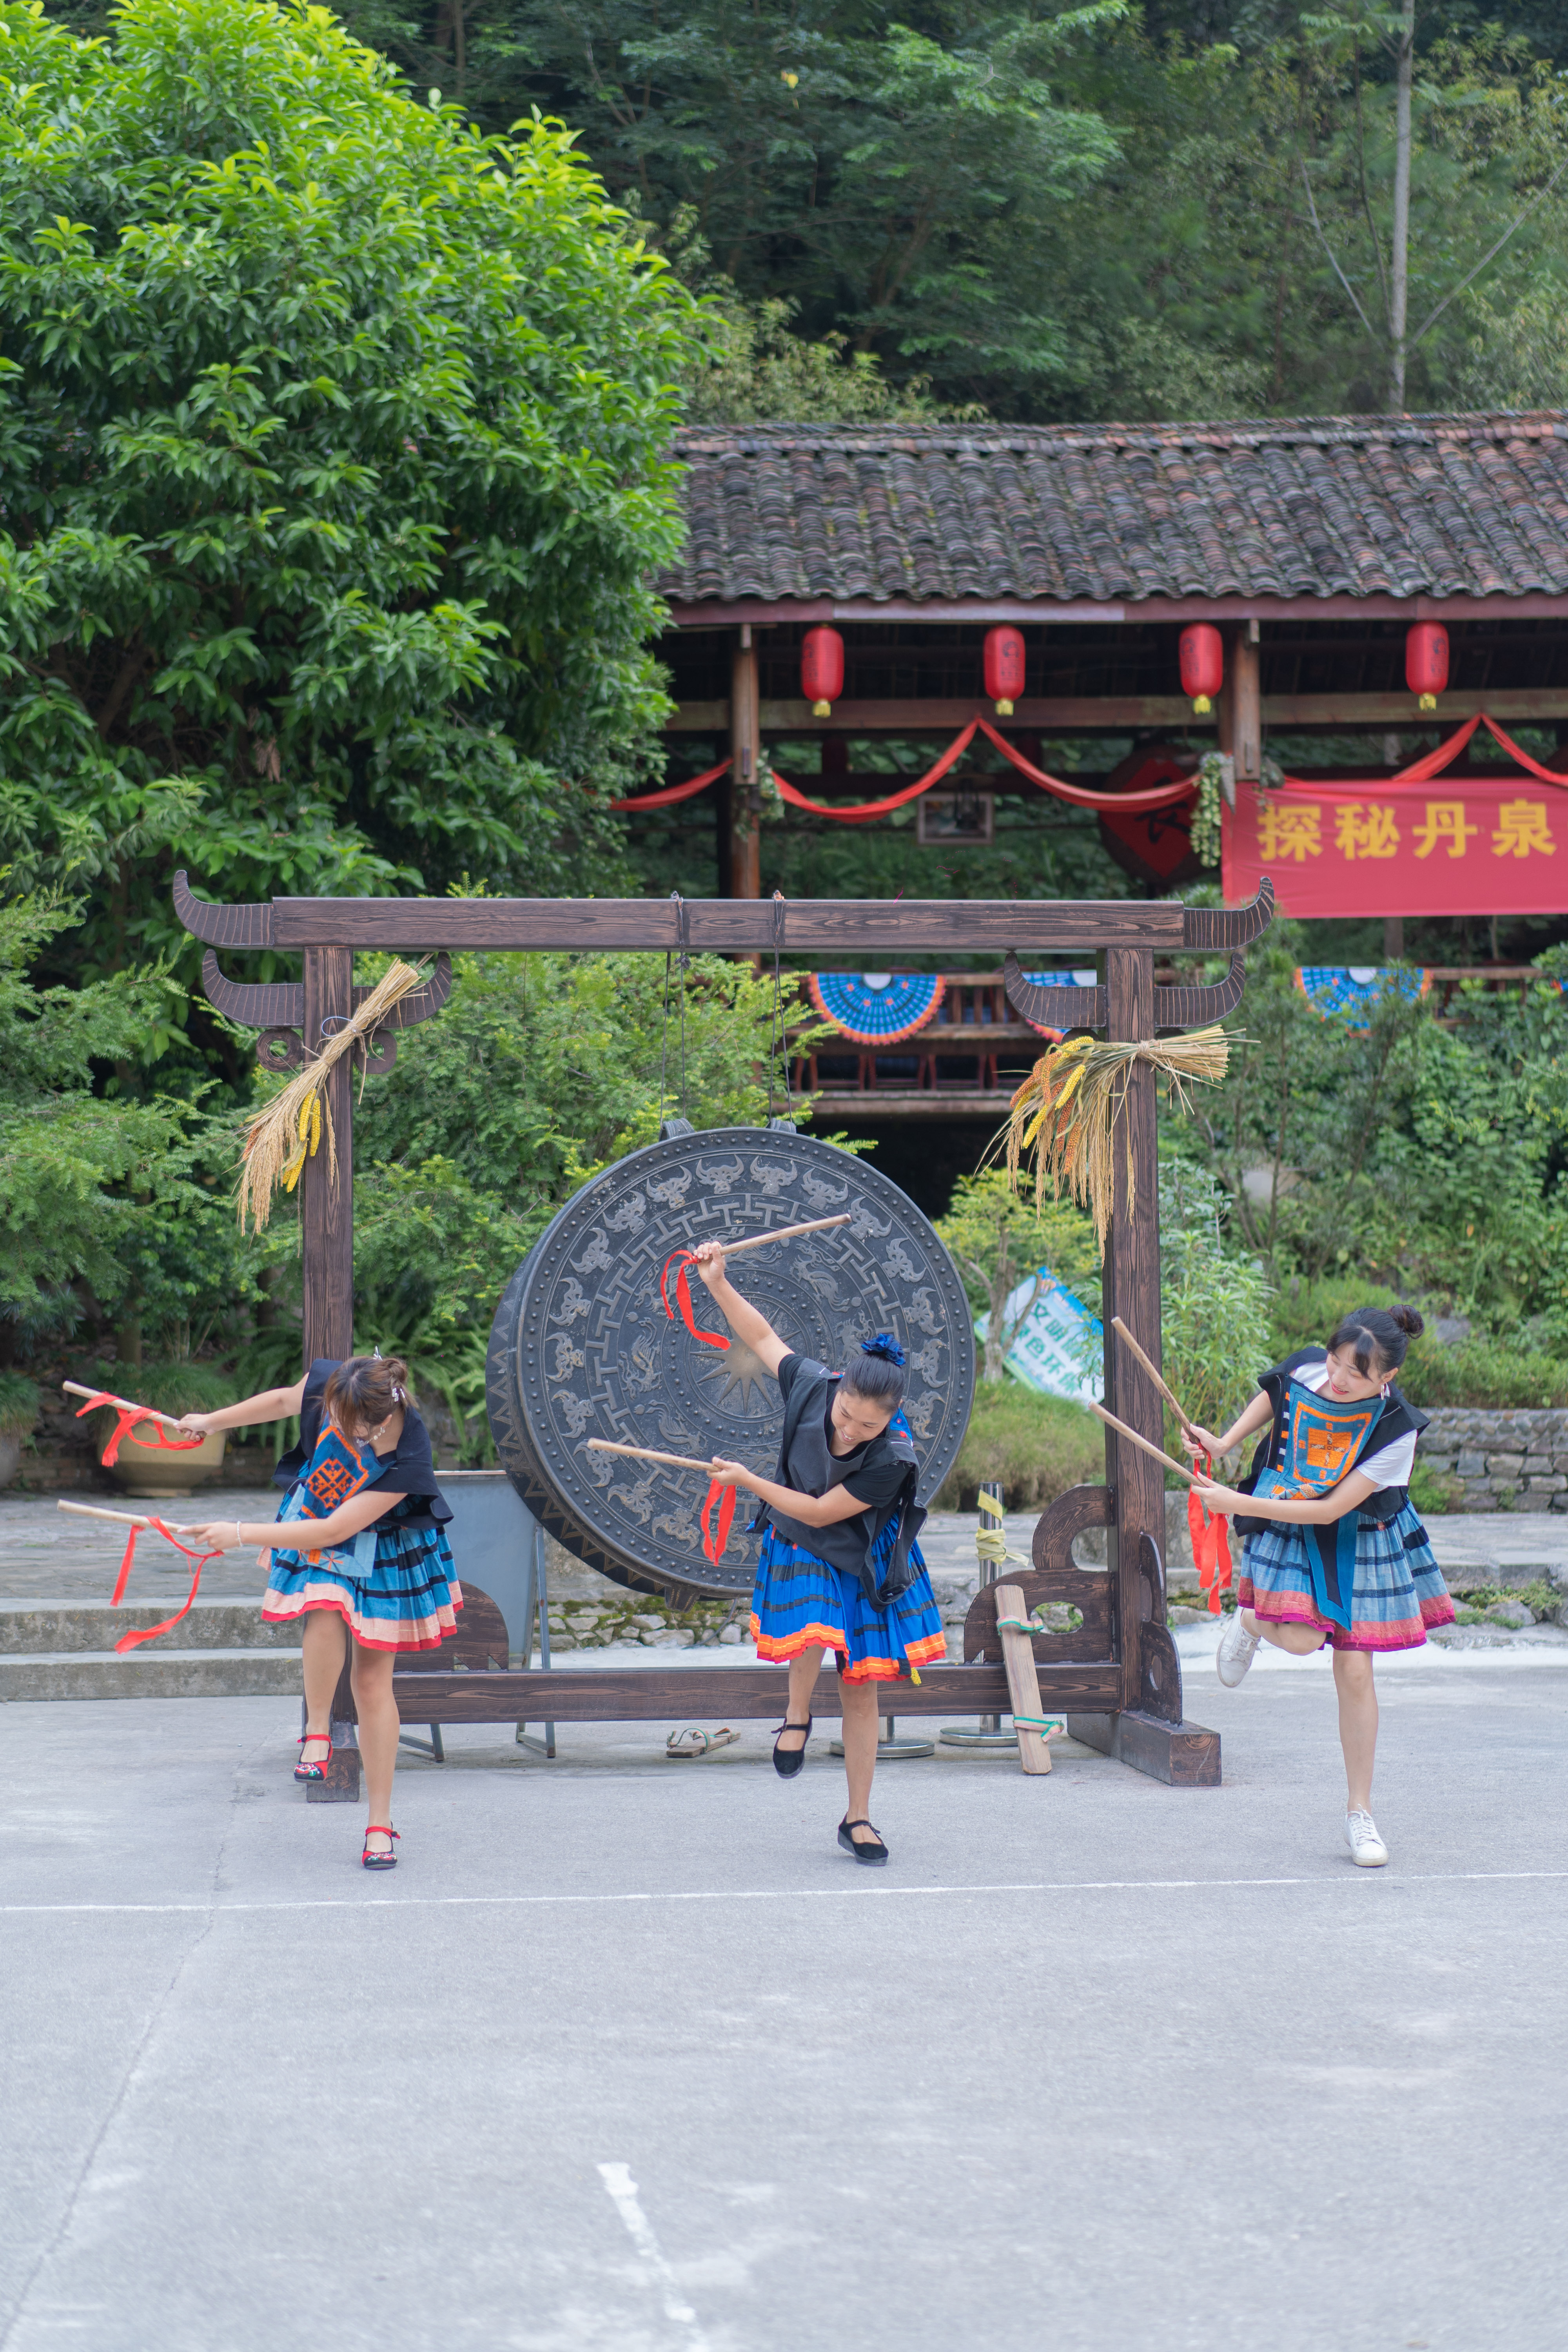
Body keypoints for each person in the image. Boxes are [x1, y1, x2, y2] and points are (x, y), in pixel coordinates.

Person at [691, 1241, 946, 1867]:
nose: (851, 1430)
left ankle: (857, 1818)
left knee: (861, 1691)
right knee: (811, 1627)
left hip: (861, 1555)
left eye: (867, 1426)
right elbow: (762, 1335)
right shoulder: (811, 1384)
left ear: (891, 1420)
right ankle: (797, 1714)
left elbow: (823, 1512)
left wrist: (748, 1481)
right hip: (798, 1538)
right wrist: (717, 1282)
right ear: (839, 1389)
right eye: (846, 1415)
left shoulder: (893, 1458)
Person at [1183, 1303, 1452, 1868]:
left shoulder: (1395, 1429)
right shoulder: (1311, 1368)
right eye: (1336, 1362)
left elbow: (1330, 1511)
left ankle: (1360, 1813)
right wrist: (1224, 1443)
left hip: (1361, 1533)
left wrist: (1233, 1502)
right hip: (1289, 1513)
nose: (1338, 1379)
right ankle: (1250, 1622)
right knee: (1304, 1641)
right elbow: (1277, 1393)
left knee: (1355, 1671)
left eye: (1357, 1373)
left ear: (1387, 1377)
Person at [179, 1355, 460, 1869]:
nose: (338, 1427)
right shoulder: (340, 1381)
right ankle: (317, 1732)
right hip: (320, 1511)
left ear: (379, 1421)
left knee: (372, 1684)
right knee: (324, 1603)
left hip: (382, 1545)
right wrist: (211, 1422)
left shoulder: (409, 1454)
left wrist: (239, 1533)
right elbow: (285, 1400)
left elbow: (336, 1531)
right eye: (333, 1414)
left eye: (350, 1425)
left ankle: (379, 1823)